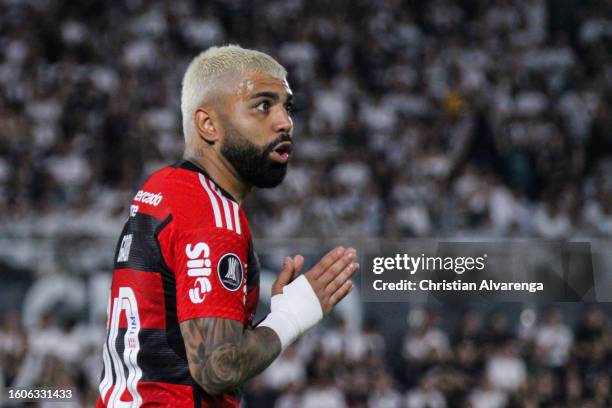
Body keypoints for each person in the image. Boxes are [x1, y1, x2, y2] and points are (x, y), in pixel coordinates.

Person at [96, 45, 359, 407]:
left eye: (287, 107)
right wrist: (291, 317)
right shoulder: (210, 211)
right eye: (263, 105)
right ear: (208, 124)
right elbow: (217, 368)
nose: (285, 122)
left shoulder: (161, 187)